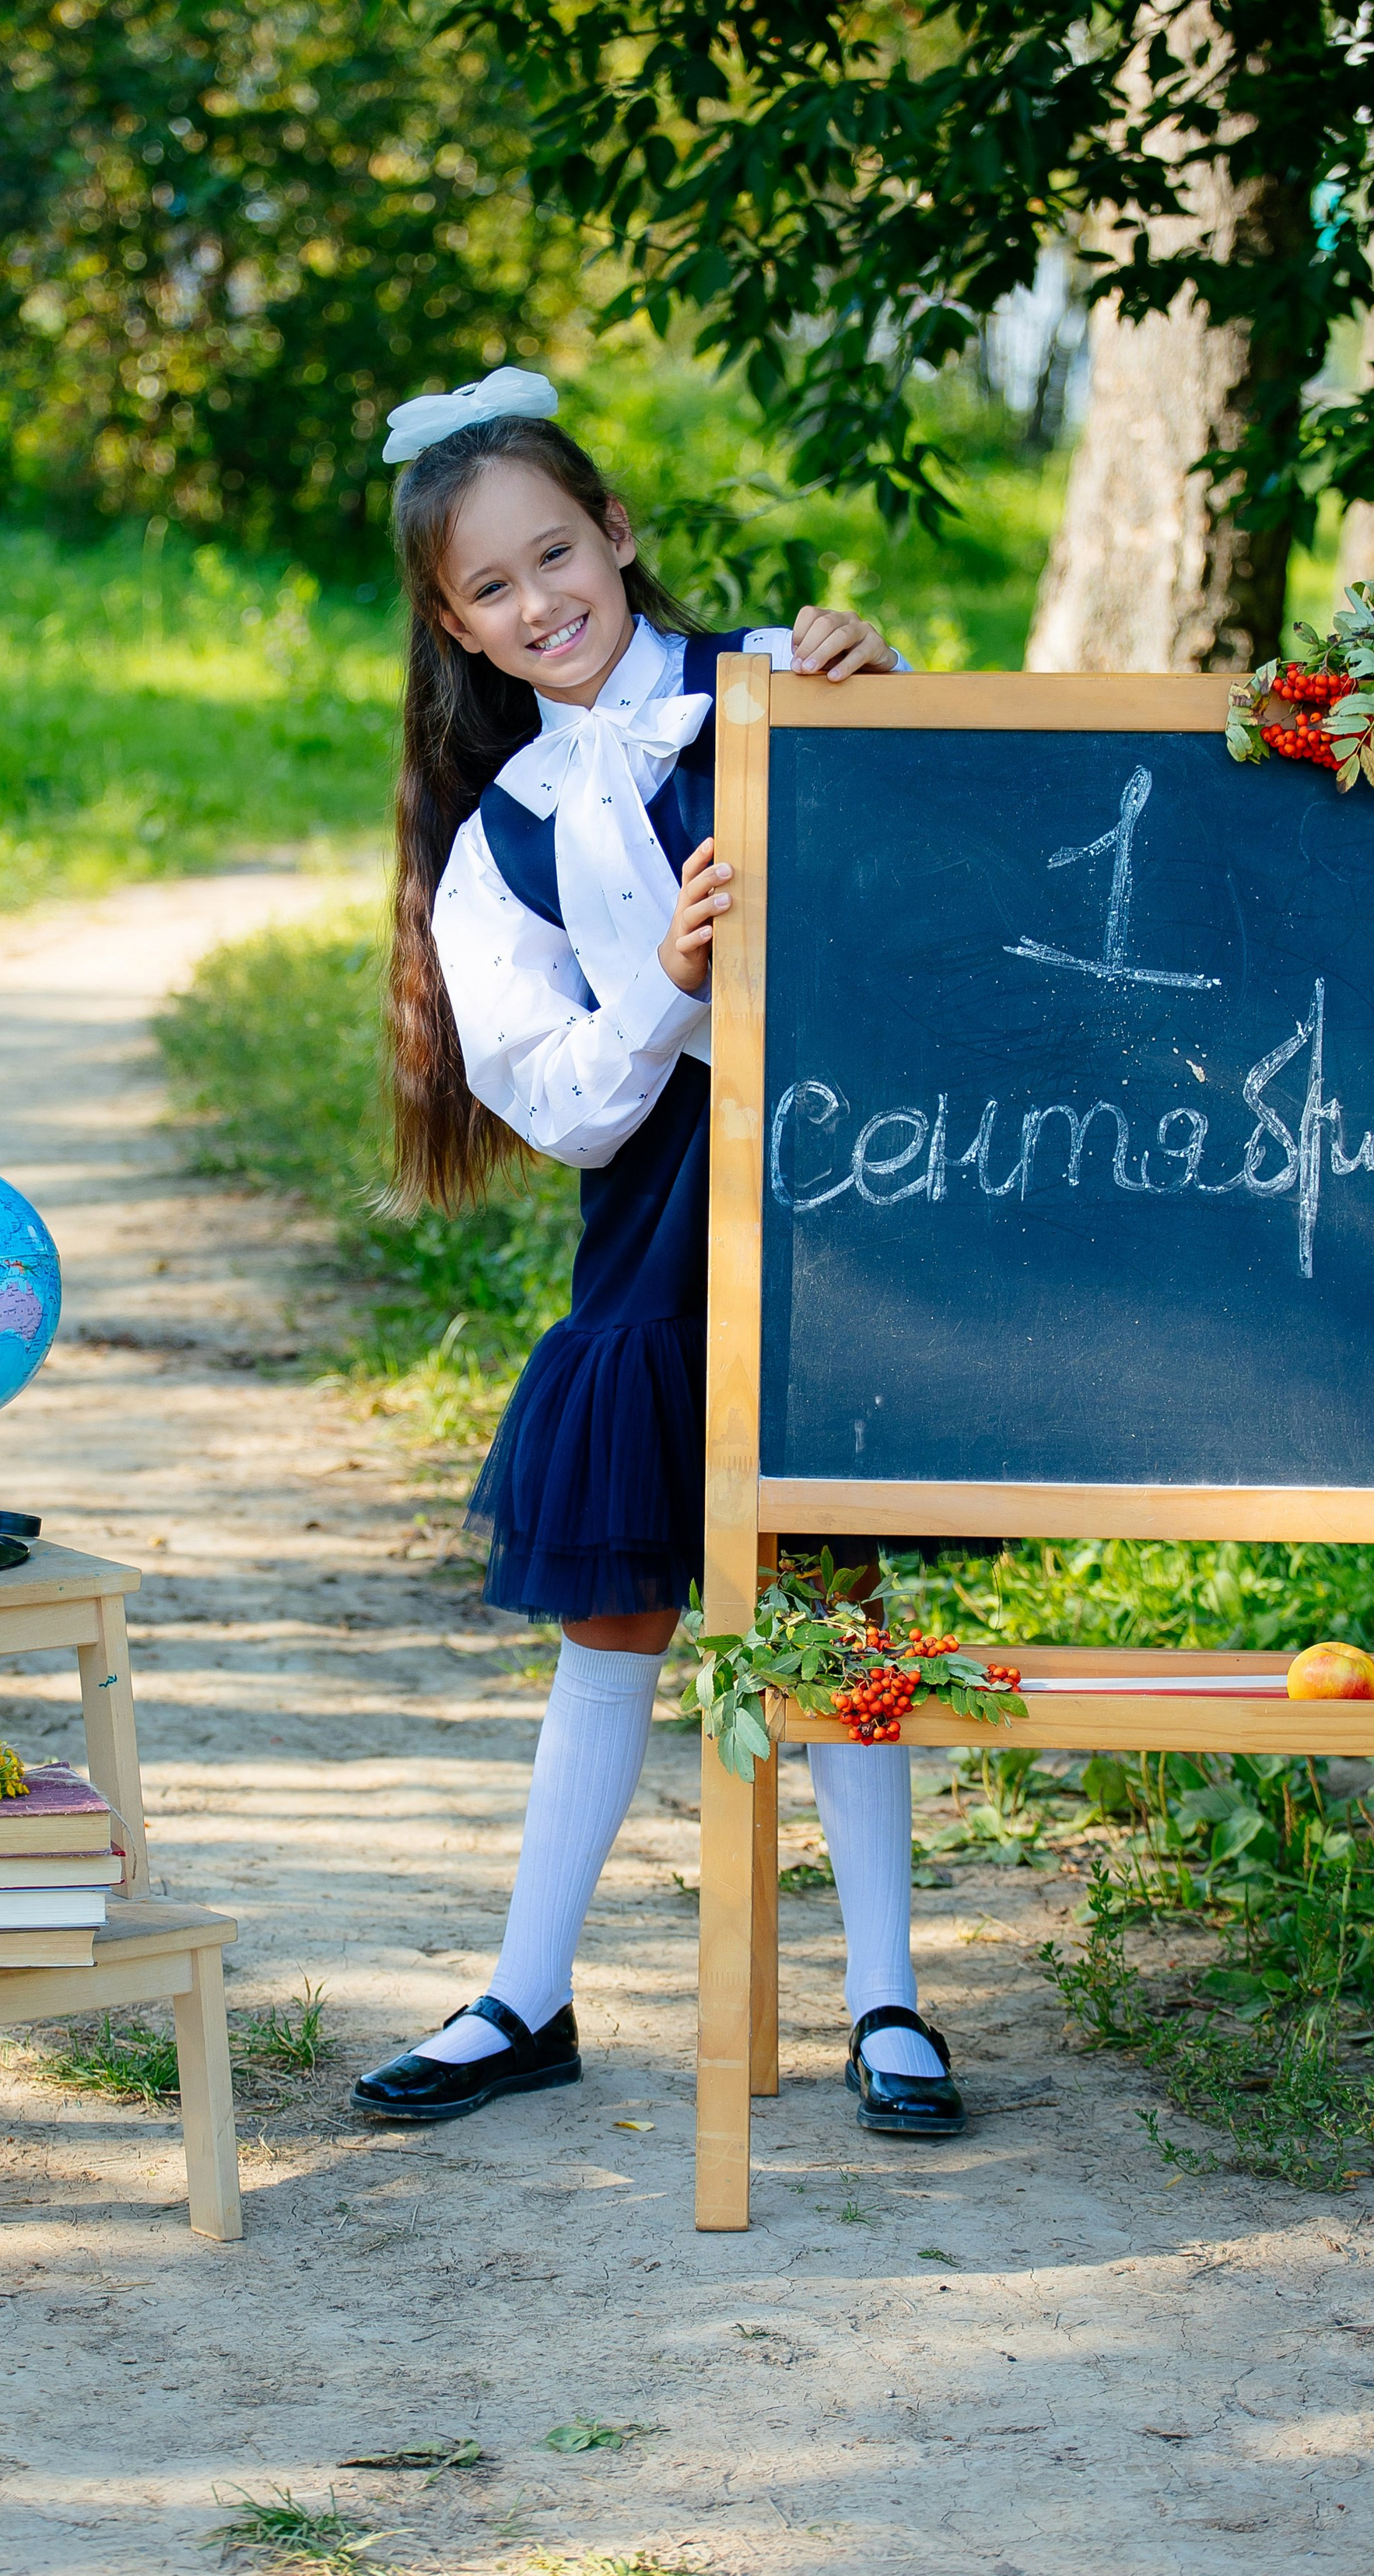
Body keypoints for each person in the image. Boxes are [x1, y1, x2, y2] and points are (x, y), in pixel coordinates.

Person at [349, 366, 962, 2142]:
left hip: (847, 1193)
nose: (539, 604)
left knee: (829, 1595)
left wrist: (887, 690)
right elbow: (564, 1107)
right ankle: (525, 1994)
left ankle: (885, 1998)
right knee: (611, 1611)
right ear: (449, 623)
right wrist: (665, 988)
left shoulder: (779, 682)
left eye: (559, 553)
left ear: (615, 535)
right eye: (491, 589)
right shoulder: (492, 850)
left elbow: (955, 862)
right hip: (659, 1211)